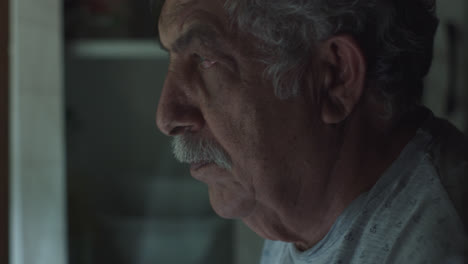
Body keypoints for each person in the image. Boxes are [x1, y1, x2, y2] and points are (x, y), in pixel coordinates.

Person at [154, 0, 468, 262]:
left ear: (334, 76)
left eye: (206, 60)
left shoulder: (438, 244)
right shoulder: (298, 198)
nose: (167, 117)